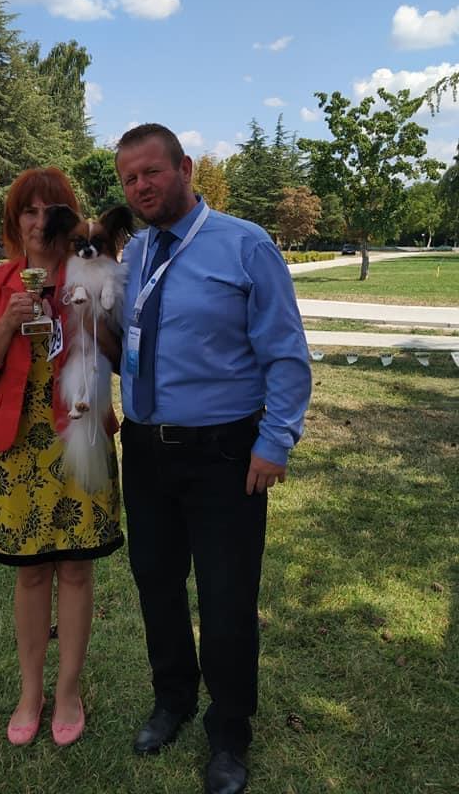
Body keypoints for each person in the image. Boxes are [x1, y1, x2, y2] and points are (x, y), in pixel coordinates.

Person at [114, 124, 312, 794]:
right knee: (157, 583)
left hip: (225, 454)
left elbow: (286, 352)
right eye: (129, 178)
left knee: (226, 597)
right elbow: (131, 342)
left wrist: (275, 441)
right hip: (144, 450)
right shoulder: (136, 253)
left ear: (186, 168)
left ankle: (229, 731)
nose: (141, 187)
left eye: (152, 172)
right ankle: (172, 699)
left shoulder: (245, 245)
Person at [0, 167, 123, 748]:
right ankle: (31, 693)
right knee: (30, 574)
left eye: (52, 210)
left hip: (81, 439)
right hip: (20, 446)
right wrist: (6, 322)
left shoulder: (92, 275)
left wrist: (86, 316)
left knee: (76, 569)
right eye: (29, 210)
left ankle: (68, 690)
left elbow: (123, 353)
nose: (39, 221)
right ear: (15, 219)